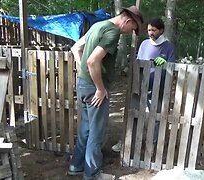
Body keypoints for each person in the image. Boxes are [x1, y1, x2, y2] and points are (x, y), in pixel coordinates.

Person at [68, 6, 143, 180]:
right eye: (131, 29)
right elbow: (92, 60)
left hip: (83, 85)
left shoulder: (97, 25)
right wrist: (100, 88)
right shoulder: (112, 32)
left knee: (86, 128)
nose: (128, 32)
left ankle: (76, 166)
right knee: (97, 132)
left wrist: (85, 72)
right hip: (95, 89)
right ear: (128, 20)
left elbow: (75, 48)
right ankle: (92, 174)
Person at [111, 17, 176, 153]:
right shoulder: (144, 44)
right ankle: (125, 142)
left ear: (162, 30)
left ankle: (152, 147)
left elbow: (173, 68)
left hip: (159, 89)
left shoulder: (168, 47)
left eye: (154, 30)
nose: (150, 32)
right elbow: (138, 63)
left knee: (156, 118)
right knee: (132, 114)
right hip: (140, 86)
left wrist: (166, 63)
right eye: (149, 30)